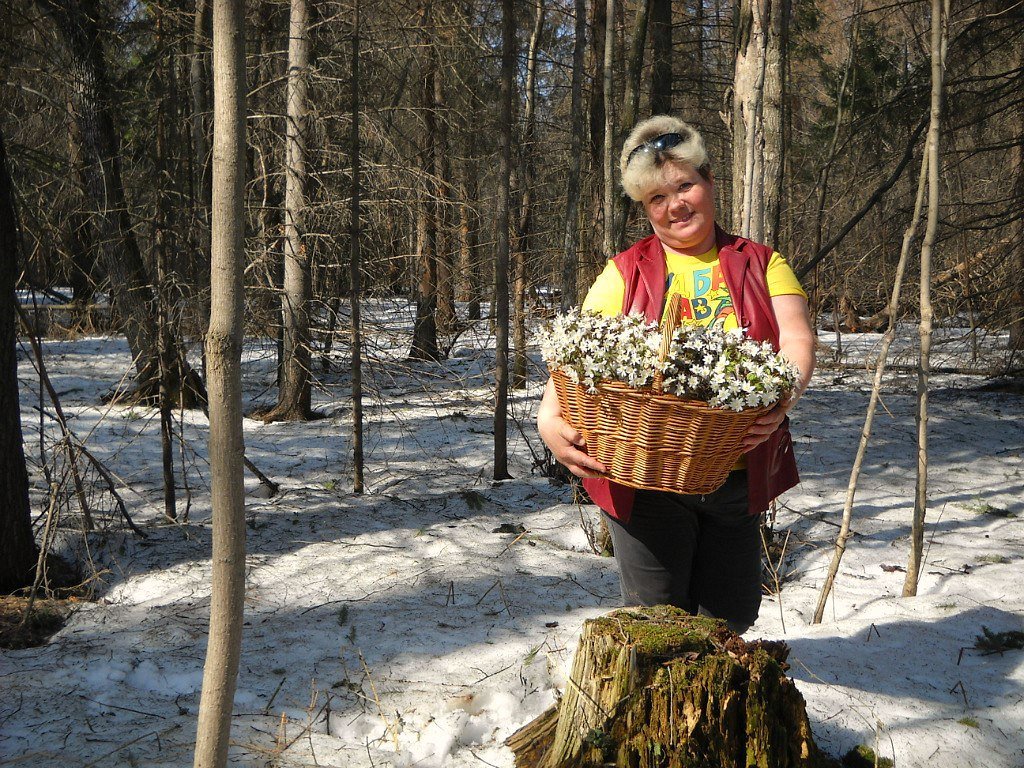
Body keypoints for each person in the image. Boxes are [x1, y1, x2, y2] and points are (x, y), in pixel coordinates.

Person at [537, 115, 815, 634]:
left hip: (737, 473)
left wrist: (783, 398)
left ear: (709, 182)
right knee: (659, 615)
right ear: (645, 209)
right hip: (647, 478)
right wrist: (549, 418)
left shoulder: (761, 262)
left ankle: (717, 710)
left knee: (731, 616)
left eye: (684, 186)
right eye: (656, 199)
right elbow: (575, 353)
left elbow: (797, 339)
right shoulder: (624, 271)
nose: (675, 206)